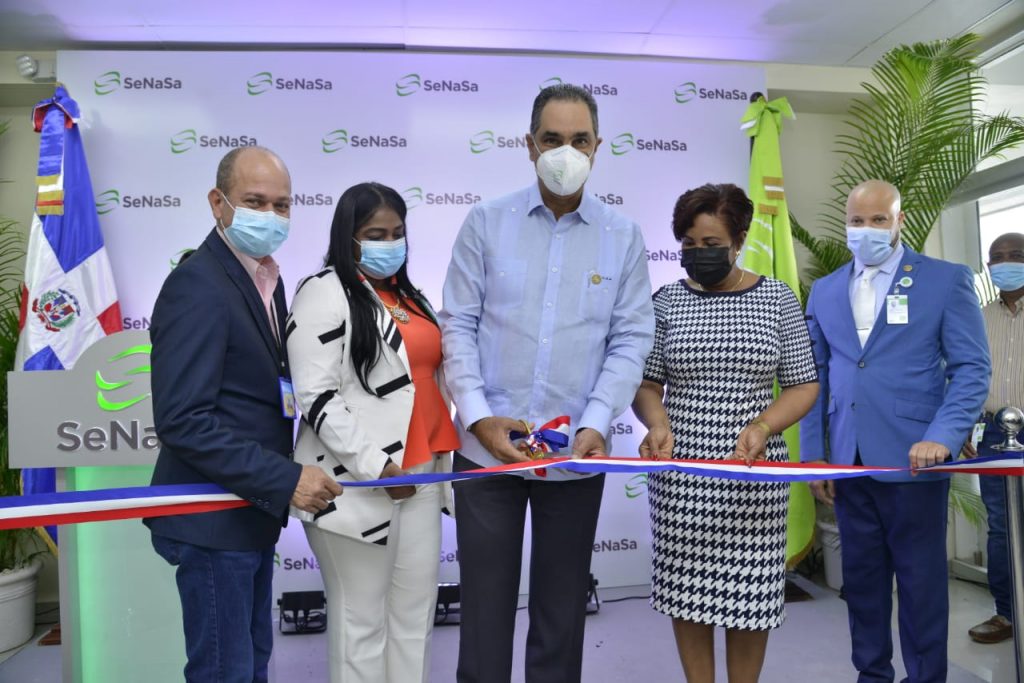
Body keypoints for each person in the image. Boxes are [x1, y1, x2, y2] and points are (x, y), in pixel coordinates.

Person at [440, 82, 655, 683]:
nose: (567, 151)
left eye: (579, 140)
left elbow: (631, 339)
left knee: (562, 613)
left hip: (577, 453)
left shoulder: (622, 235)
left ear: (598, 146)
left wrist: (594, 422)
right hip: (487, 455)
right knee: (483, 613)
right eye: (553, 139)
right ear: (529, 145)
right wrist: (479, 416)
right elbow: (457, 324)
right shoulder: (485, 222)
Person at [147, 146, 342, 682]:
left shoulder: (267, 281)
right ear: (218, 202)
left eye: (282, 205)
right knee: (224, 671)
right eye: (255, 201)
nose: (272, 216)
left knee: (251, 663)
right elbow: (184, 419)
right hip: (212, 522)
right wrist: (286, 479)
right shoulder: (198, 284)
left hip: (248, 517)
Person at [801, 180, 990, 683]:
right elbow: (812, 376)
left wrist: (944, 436)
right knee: (861, 584)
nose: (866, 231)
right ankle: (873, 675)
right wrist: (813, 456)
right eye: (857, 221)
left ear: (899, 221)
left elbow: (971, 367)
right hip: (848, 460)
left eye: (878, 220)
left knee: (920, 584)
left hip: (915, 458)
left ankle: (926, 678)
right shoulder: (824, 289)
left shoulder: (945, 280)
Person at [632, 183, 819, 683]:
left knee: (750, 600)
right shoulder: (667, 301)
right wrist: (657, 422)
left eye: (711, 244)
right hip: (681, 474)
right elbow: (646, 383)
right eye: (689, 245)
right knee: (687, 595)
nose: (699, 255)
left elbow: (803, 386)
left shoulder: (777, 298)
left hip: (753, 474)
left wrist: (762, 425)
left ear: (739, 238)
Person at [286, 181, 459, 682]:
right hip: (357, 483)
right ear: (348, 237)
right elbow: (316, 396)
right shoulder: (323, 291)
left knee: (413, 619)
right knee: (360, 624)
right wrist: (377, 467)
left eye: (397, 232)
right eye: (375, 233)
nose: (390, 243)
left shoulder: (411, 297)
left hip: (422, 475)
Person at [965, 231, 1024, 644]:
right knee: (1002, 527)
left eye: (1015, 255)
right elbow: (966, 377)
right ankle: (1008, 614)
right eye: (997, 257)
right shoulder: (978, 317)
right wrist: (963, 425)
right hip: (993, 437)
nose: (1005, 262)